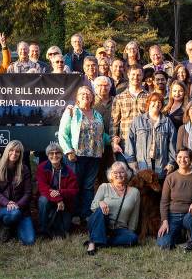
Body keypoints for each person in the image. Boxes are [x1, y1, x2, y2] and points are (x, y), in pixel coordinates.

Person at [58, 86, 110, 220]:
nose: (85, 95)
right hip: (76, 156)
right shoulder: (72, 112)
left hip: (94, 156)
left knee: (88, 186)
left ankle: (86, 213)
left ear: (93, 97)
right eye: (82, 93)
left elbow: (101, 135)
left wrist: (112, 140)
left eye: (88, 93)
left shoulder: (97, 114)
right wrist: (69, 151)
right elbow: (63, 134)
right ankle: (74, 214)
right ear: (77, 98)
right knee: (75, 186)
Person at [157, 148, 192, 250]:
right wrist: (165, 221)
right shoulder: (170, 178)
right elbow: (164, 202)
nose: (182, 160)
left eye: (186, 157)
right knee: (164, 244)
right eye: (179, 157)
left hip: (189, 215)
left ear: (191, 159)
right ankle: (181, 235)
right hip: (173, 216)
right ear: (176, 159)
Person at [86, 161, 141, 254]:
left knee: (133, 238)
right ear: (111, 174)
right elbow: (93, 207)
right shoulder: (104, 187)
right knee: (100, 210)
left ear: (127, 173)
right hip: (101, 225)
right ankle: (92, 243)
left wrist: (131, 231)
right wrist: (100, 203)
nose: (118, 175)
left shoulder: (135, 192)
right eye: (115, 172)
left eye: (122, 172)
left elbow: (134, 215)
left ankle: (99, 241)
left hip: (119, 229)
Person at [0, 140, 34, 245]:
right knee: (14, 213)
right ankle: (5, 226)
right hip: (2, 207)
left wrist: (17, 205)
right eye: (11, 150)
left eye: (17, 151)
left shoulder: (24, 169)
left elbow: (28, 193)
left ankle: (13, 226)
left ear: (20, 154)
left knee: (29, 240)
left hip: (21, 208)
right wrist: (7, 203)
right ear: (6, 151)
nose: (14, 153)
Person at [127, 92, 176, 177]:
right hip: (142, 166)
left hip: (161, 166)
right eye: (154, 101)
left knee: (158, 188)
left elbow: (173, 144)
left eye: (159, 102)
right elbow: (130, 141)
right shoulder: (137, 121)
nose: (156, 104)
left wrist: (171, 163)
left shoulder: (167, 122)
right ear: (148, 102)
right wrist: (131, 161)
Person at [112, 66, 148, 154]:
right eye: (133, 74)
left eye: (138, 75)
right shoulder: (119, 97)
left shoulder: (149, 97)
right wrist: (114, 141)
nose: (135, 77)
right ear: (128, 75)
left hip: (144, 142)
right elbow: (114, 122)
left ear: (142, 76)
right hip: (125, 142)